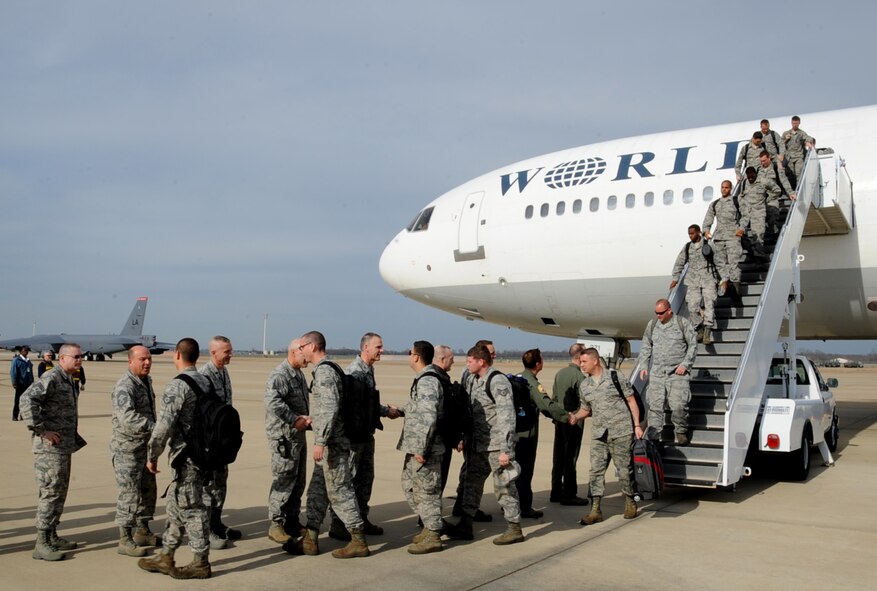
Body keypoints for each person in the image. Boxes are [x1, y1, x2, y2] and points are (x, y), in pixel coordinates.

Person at [138, 338, 213, 579]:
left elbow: (163, 428)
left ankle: (200, 562)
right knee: (175, 505)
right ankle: (166, 554)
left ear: (178, 355)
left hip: (187, 456)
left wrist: (152, 456)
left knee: (193, 508)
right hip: (204, 454)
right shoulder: (205, 381)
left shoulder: (178, 385)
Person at [295, 330, 370, 559]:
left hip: (332, 445)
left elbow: (329, 409)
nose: (300, 352)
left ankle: (358, 540)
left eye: (302, 347)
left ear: (312, 346)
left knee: (340, 491)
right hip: (329, 442)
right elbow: (325, 410)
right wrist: (312, 421)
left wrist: (320, 440)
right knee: (317, 491)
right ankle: (311, 538)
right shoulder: (325, 370)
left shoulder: (326, 372)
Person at [446, 344, 524, 545]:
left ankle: (514, 527)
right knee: (471, 484)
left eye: (470, 361)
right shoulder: (471, 379)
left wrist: (506, 450)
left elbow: (507, 416)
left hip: (497, 446)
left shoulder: (497, 381)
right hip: (477, 444)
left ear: (481, 361)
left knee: (504, 486)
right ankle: (465, 524)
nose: (467, 364)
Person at [20, 343, 87, 561]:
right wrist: (42, 430)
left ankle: (52, 535)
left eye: (81, 357)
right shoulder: (52, 377)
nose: (80, 360)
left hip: (62, 446)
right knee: (50, 492)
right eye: (76, 357)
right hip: (49, 449)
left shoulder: (67, 378)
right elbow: (27, 399)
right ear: (62, 358)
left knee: (59, 492)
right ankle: (41, 543)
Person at [328, 332, 395, 541]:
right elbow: (348, 407)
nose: (381, 350)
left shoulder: (368, 370)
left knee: (365, 479)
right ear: (366, 347)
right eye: (378, 347)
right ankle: (339, 524)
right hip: (354, 438)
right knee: (349, 481)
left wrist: (386, 411)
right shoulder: (354, 372)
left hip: (366, 435)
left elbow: (368, 403)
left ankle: (361, 518)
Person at [571, 347, 643, 525]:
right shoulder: (584, 385)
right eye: (580, 362)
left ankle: (629, 501)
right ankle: (595, 510)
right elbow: (586, 409)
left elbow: (631, 401)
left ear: (595, 361)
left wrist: (637, 426)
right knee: (595, 471)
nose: (581, 365)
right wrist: (575, 416)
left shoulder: (615, 377)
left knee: (624, 470)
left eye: (584, 361)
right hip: (599, 434)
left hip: (621, 431)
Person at [110, 345, 158, 557]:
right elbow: (127, 417)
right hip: (127, 449)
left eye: (149, 359)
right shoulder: (125, 385)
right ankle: (125, 538)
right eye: (142, 359)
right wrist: (155, 427)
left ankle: (142, 530)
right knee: (129, 493)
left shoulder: (146, 381)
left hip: (144, 447)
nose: (147, 362)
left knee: (148, 490)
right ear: (130, 361)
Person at [398, 340, 445, 554]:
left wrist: (421, 448)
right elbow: (418, 409)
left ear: (416, 356)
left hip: (425, 449)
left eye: (410, 353)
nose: (409, 356)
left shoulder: (427, 381)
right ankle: (429, 525)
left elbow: (428, 417)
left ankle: (434, 534)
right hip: (416, 447)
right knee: (409, 485)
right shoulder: (423, 379)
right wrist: (398, 410)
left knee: (427, 491)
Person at [265, 338, 312, 544]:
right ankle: (276, 524)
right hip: (284, 438)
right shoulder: (280, 375)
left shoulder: (299, 375)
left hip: (297, 437)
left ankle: (292, 520)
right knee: (284, 480)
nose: (308, 359)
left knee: (298, 480)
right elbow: (272, 402)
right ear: (294, 351)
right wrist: (294, 420)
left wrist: (305, 420)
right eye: (305, 355)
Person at [516, 349, 571, 519]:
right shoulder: (532, 383)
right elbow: (545, 405)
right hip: (527, 434)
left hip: (514, 432)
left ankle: (510, 504)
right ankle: (524, 507)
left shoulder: (517, 377)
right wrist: (566, 417)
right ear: (538, 364)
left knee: (514, 471)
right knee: (525, 471)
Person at [198, 335, 241, 548]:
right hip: (210, 443)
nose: (230, 354)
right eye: (227, 351)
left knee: (220, 484)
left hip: (223, 441)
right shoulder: (204, 376)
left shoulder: (223, 372)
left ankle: (216, 523)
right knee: (209, 486)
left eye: (230, 350)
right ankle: (206, 530)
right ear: (214, 353)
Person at [638, 299, 698, 445]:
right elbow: (646, 344)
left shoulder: (682, 323)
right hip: (657, 373)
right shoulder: (652, 325)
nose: (658, 316)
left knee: (678, 406)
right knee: (655, 407)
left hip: (677, 373)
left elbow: (693, 345)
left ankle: (681, 429)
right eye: (656, 313)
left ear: (669, 310)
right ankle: (654, 438)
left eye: (661, 313)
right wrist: (644, 365)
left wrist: (685, 364)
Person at [451, 339, 496, 521]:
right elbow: (464, 404)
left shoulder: (487, 376)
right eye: (490, 352)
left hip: (477, 435)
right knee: (472, 472)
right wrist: (461, 434)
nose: (493, 355)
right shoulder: (470, 375)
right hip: (475, 434)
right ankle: (466, 507)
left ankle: (463, 507)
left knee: (470, 471)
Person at [549, 342, 589, 505]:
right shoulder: (579, 377)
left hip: (560, 419)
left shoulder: (560, 373)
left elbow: (554, 399)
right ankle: (569, 494)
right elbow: (585, 402)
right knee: (570, 457)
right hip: (574, 421)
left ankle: (556, 491)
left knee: (558, 456)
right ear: (580, 357)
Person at [671, 224, 718, 344]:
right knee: (692, 306)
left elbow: (718, 260)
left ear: (698, 232)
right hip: (693, 281)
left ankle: (707, 332)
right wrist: (675, 278)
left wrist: (724, 279)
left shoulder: (708, 245)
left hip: (708, 279)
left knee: (709, 304)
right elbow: (679, 262)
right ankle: (699, 327)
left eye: (692, 233)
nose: (690, 236)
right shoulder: (687, 247)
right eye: (689, 234)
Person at [703, 180, 748, 301]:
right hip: (719, 238)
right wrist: (706, 230)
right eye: (722, 187)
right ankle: (725, 282)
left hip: (733, 237)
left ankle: (736, 287)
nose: (724, 189)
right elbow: (708, 219)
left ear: (730, 188)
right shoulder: (715, 204)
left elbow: (745, 215)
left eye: (726, 187)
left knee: (734, 263)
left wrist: (741, 228)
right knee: (719, 262)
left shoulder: (736, 201)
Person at [434, 345, 461, 498]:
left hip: (444, 441)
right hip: (439, 443)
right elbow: (440, 415)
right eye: (451, 359)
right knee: (435, 483)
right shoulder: (435, 379)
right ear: (443, 359)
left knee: (440, 481)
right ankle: (429, 519)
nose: (453, 362)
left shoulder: (443, 378)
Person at [739, 166, 777, 259]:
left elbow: (776, 190)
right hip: (746, 214)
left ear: (756, 174)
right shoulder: (744, 183)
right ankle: (752, 252)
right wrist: (742, 207)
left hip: (759, 213)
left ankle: (759, 259)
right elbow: (741, 196)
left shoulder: (763, 181)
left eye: (752, 177)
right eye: (749, 177)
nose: (750, 179)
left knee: (758, 237)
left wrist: (769, 199)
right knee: (739, 235)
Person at [757, 150, 796, 235]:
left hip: (773, 196)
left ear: (769, 158)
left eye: (764, 160)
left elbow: (783, 180)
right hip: (761, 197)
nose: (762, 163)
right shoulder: (758, 169)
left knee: (773, 216)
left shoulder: (775, 167)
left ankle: (774, 235)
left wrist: (790, 193)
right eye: (761, 161)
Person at [782, 116, 816, 180]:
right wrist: (786, 139)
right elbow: (780, 144)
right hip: (789, 158)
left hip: (798, 157)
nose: (795, 125)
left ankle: (799, 189)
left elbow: (808, 137)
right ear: (791, 123)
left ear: (799, 123)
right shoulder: (786, 133)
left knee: (799, 174)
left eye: (796, 123)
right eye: (793, 123)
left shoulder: (801, 133)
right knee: (791, 175)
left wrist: (809, 142)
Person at [11, 345, 34, 420]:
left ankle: (23, 415)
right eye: (24, 350)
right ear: (20, 351)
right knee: (18, 400)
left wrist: (32, 381)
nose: (26, 352)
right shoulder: (16, 360)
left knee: (27, 400)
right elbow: (13, 372)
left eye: (27, 351)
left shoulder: (28, 360)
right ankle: (15, 416)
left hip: (28, 383)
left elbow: (30, 372)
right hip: (20, 383)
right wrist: (14, 382)